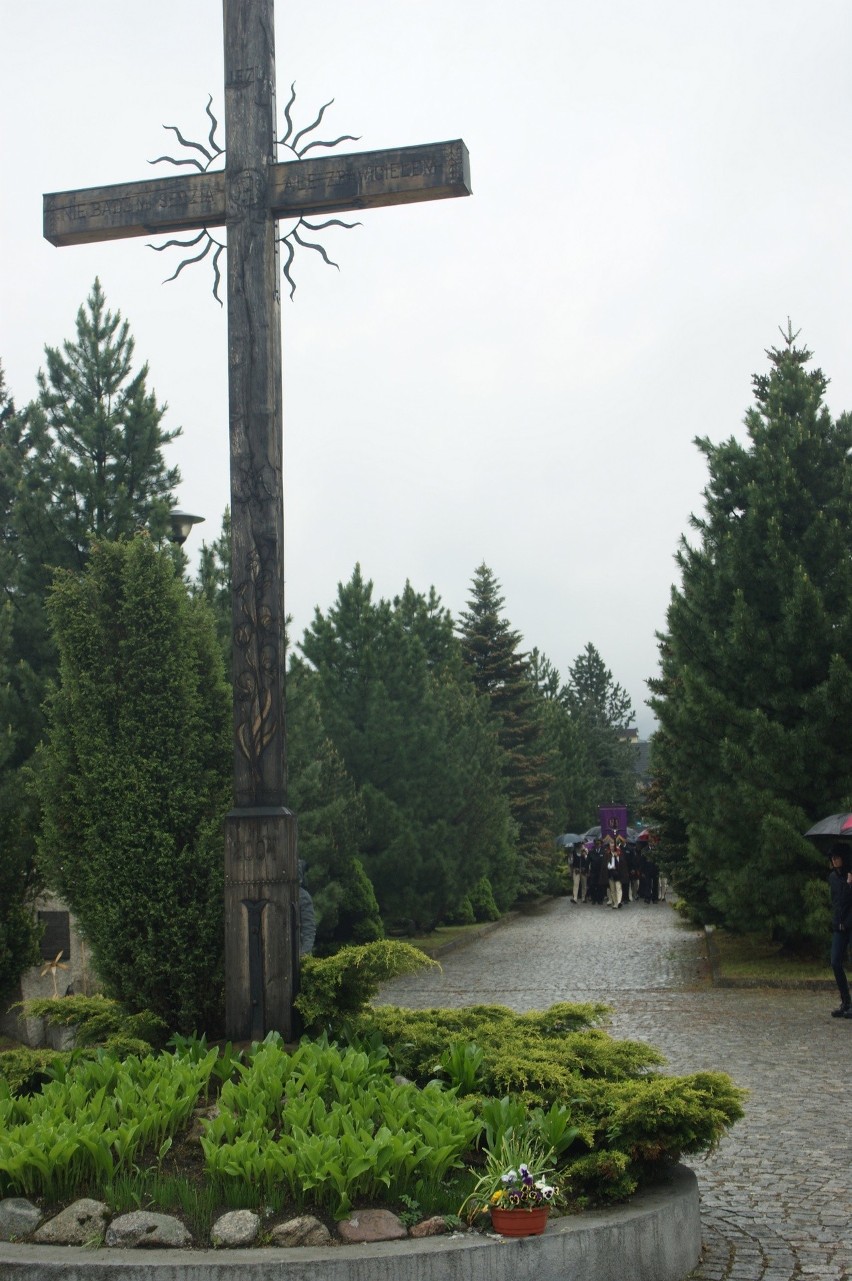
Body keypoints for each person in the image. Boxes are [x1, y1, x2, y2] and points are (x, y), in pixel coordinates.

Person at [828, 844, 852, 1018]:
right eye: (832, 858)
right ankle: (846, 1001)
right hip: (839, 926)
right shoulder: (832, 878)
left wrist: (850, 884)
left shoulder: (849, 876)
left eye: (837, 857)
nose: (835, 860)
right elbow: (836, 902)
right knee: (835, 961)